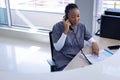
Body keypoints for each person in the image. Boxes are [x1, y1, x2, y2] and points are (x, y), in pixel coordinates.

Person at [51, 3, 99, 71]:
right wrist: (65, 31)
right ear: (66, 17)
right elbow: (57, 48)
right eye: (73, 17)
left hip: (77, 58)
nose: (76, 19)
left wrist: (94, 43)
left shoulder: (81, 26)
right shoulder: (57, 27)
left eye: (78, 16)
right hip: (64, 61)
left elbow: (90, 38)